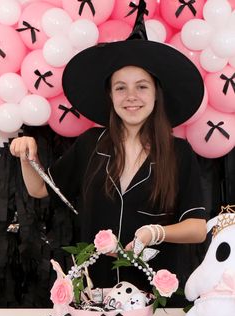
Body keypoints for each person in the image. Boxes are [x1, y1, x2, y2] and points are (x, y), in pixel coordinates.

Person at [10, 0, 207, 295]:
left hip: (157, 296)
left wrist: (156, 232)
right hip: (96, 292)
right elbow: (40, 190)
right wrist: (29, 156)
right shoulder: (91, 144)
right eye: (120, 87)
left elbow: (197, 228)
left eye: (142, 86)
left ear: (156, 95)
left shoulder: (179, 153)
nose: (131, 96)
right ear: (111, 97)